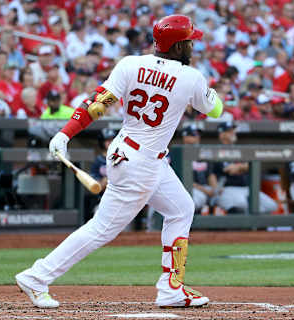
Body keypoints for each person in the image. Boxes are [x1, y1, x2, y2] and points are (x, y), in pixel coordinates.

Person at [15, 15, 222, 309]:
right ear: (177, 47)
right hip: (142, 164)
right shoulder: (191, 77)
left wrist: (65, 133)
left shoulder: (130, 64)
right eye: (189, 41)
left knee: (181, 208)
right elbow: (215, 110)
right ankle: (37, 276)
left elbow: (97, 105)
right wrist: (210, 92)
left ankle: (171, 288)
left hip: (132, 153)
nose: (192, 45)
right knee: (102, 228)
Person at [210, 122, 278, 214]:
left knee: (271, 206)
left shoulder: (240, 150)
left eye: (233, 130)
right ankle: (243, 227)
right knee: (242, 205)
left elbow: (252, 166)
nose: (233, 132)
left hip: (246, 188)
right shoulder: (216, 151)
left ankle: (255, 226)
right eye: (229, 131)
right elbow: (230, 170)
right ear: (222, 134)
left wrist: (240, 167)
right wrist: (243, 167)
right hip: (228, 188)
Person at [181, 124, 215, 214]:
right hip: (189, 188)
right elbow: (183, 180)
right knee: (194, 199)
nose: (196, 138)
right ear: (185, 137)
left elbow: (210, 174)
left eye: (197, 135)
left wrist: (214, 189)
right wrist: (205, 190)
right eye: (193, 135)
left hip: (204, 188)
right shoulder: (179, 154)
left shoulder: (203, 153)